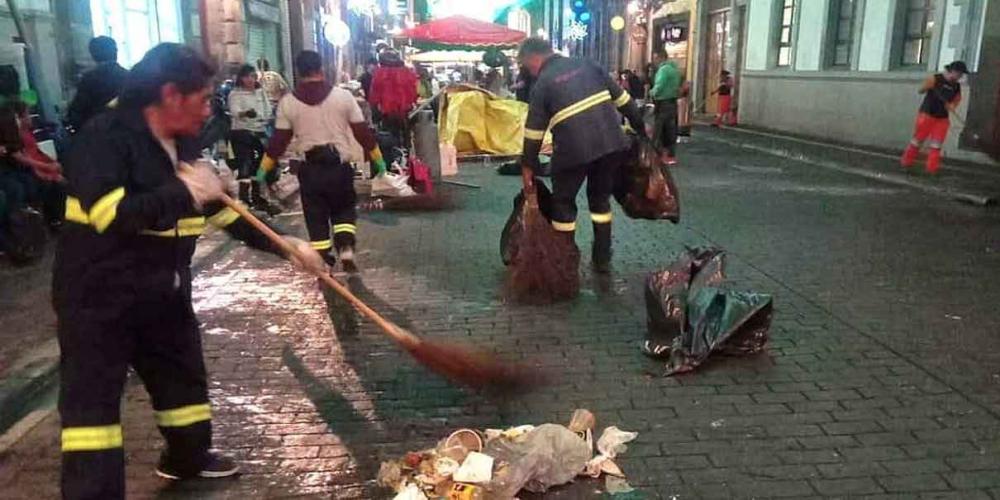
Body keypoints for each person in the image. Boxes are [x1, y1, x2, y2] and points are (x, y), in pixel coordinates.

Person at [53, 43, 323, 500]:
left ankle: (187, 459)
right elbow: (112, 215)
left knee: (182, 379)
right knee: (92, 408)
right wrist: (184, 191)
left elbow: (217, 208)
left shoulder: (182, 139)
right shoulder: (103, 138)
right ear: (170, 94)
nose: (207, 110)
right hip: (100, 297)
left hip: (163, 288)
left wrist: (285, 245)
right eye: (201, 98)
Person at [518, 38, 646, 274]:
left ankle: (565, 261)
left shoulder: (543, 84)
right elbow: (624, 101)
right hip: (611, 146)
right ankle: (602, 257)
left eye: (528, 66)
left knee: (564, 203)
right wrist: (641, 128)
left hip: (571, 151)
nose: (529, 72)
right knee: (599, 200)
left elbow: (534, 133)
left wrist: (528, 166)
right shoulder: (589, 65)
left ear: (533, 59)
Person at [258, 50, 388, 273]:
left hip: (310, 170)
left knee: (316, 215)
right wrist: (379, 160)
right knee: (344, 208)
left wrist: (262, 172)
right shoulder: (343, 97)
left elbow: (278, 142)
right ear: (321, 69)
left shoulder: (288, 103)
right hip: (339, 167)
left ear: (298, 72)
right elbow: (362, 132)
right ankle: (346, 246)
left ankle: (323, 261)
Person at [227, 64, 280, 214]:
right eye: (247, 76)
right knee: (245, 164)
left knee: (264, 164)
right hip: (242, 133)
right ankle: (244, 200)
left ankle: (259, 196)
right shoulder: (235, 95)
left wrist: (266, 118)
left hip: (260, 131)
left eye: (253, 76)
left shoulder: (260, 92)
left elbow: (268, 110)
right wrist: (246, 113)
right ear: (241, 78)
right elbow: (235, 112)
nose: (251, 79)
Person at [900, 60, 968, 175]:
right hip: (927, 114)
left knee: (936, 145)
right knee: (917, 141)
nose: (961, 77)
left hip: (942, 118)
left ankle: (931, 169)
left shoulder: (956, 86)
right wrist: (927, 86)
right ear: (953, 71)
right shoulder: (936, 79)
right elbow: (921, 90)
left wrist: (952, 105)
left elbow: (957, 99)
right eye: (960, 74)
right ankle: (906, 163)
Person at [66, 36, 129, 132]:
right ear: (115, 52)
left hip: (99, 134)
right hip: (128, 134)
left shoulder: (89, 79)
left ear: (93, 55)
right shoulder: (129, 76)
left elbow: (76, 112)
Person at [650, 52, 683, 165]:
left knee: (659, 130)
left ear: (661, 57)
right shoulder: (675, 70)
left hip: (662, 102)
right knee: (671, 129)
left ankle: (656, 154)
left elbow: (659, 85)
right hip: (672, 102)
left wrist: (652, 93)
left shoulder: (663, 70)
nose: (654, 61)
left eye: (655, 58)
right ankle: (670, 155)